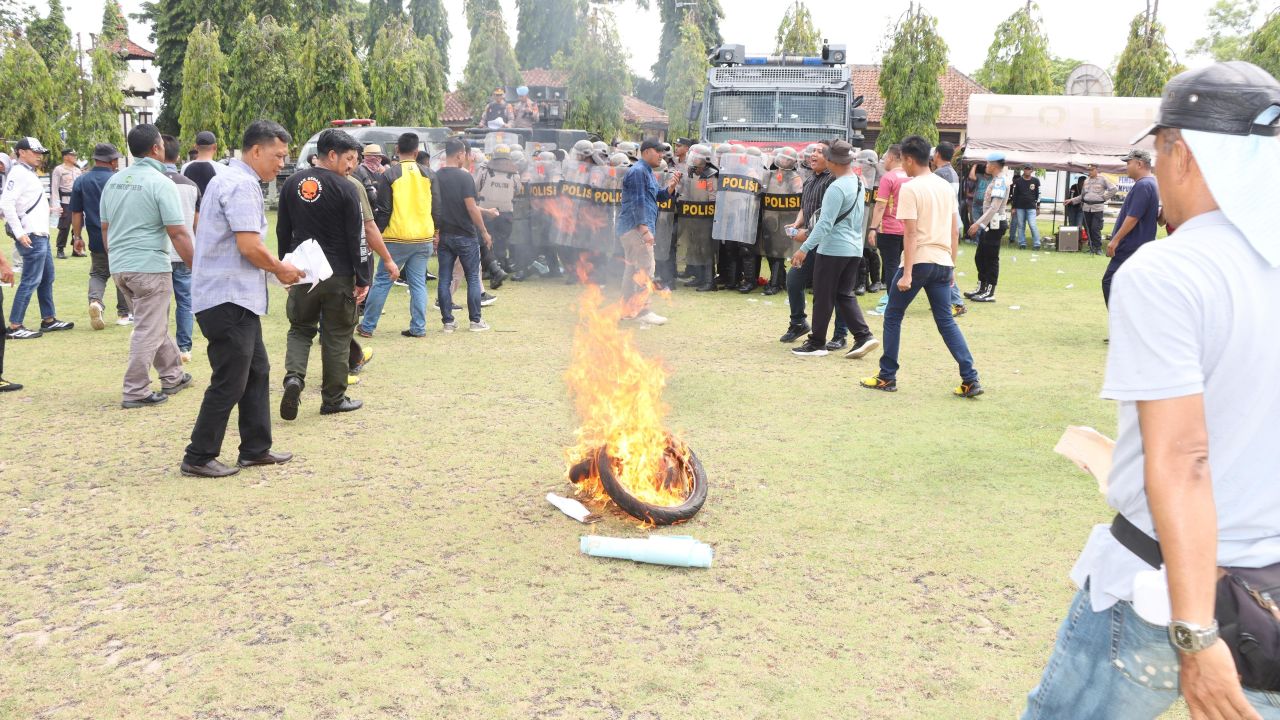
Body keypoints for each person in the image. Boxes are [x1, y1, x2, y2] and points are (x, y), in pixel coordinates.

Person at [1022, 60, 1280, 720]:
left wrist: (1196, 635)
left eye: (1156, 152)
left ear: (1182, 153)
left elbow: (1183, 461)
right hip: (1268, 598)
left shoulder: (1167, 272)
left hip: (1160, 588)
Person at [181, 120, 302, 479]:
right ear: (255, 151)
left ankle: (255, 448)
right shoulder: (241, 185)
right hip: (226, 297)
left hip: (234, 297)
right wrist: (280, 268)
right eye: (278, 156)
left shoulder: (227, 179)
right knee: (231, 378)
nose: (282, 163)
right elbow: (249, 245)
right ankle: (198, 455)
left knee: (256, 371)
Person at [860, 135, 982, 398]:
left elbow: (911, 235)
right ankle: (970, 378)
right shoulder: (944, 187)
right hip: (942, 263)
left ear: (909, 159)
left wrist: (906, 273)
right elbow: (954, 230)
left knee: (892, 316)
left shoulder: (911, 188)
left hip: (920, 261)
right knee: (946, 321)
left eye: (903, 160)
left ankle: (887, 376)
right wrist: (952, 266)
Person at [99, 124, 196, 409]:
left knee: (153, 323)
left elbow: (105, 227)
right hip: (149, 266)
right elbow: (178, 233)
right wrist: (195, 267)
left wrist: (116, 257)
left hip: (121, 265)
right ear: (156, 148)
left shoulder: (114, 181)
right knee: (148, 328)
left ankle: (173, 375)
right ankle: (135, 390)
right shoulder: (161, 182)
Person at [277, 128, 367, 419]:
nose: (352, 165)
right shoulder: (347, 188)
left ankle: (294, 377)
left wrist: (283, 268)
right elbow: (357, 238)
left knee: (301, 328)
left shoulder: (291, 184)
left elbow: (282, 231)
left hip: (302, 272)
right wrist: (362, 277)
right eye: (349, 158)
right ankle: (333, 398)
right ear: (332, 155)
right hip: (339, 274)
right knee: (338, 335)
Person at [788, 140, 880, 360]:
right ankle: (863, 336)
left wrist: (804, 249)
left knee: (823, 296)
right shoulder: (857, 182)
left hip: (833, 249)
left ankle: (817, 342)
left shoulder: (836, 187)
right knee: (843, 295)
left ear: (831, 161)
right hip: (853, 248)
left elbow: (825, 224)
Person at [359, 132, 437, 339]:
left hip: (396, 238)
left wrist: (375, 235)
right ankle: (418, 327)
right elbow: (437, 208)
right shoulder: (429, 174)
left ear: (396, 151)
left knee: (383, 281)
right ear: (416, 151)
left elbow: (383, 210)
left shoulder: (389, 175)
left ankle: (367, 327)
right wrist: (436, 231)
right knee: (418, 283)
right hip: (423, 237)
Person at [3, 137, 73, 339]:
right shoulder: (18, 173)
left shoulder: (27, 173)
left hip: (39, 233)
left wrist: (50, 209)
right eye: (35, 152)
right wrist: (20, 233)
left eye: (40, 153)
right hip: (32, 234)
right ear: (21, 152)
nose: (39, 156)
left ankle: (48, 319)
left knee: (46, 278)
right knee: (31, 279)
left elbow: (24, 202)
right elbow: (7, 204)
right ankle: (15, 326)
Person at [780, 141, 848, 347]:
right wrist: (798, 223)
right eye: (813, 151)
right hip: (811, 241)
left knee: (835, 290)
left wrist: (807, 234)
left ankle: (840, 335)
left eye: (820, 152)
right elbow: (805, 205)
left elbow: (828, 217)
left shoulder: (833, 182)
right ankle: (798, 322)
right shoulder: (810, 179)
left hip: (829, 242)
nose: (814, 154)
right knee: (794, 280)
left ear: (831, 159)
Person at [617, 138, 681, 326]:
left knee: (632, 270)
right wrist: (644, 230)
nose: (661, 155)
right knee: (645, 269)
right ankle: (643, 310)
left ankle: (628, 309)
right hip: (636, 229)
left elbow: (656, 197)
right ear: (646, 152)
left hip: (632, 228)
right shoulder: (638, 172)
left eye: (662, 152)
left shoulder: (646, 172)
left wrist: (671, 186)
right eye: (657, 151)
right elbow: (638, 203)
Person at [433, 138, 493, 332]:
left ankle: (448, 323)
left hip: (445, 235)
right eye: (465, 155)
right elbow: (471, 207)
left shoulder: (436, 176)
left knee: (444, 279)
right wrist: (484, 231)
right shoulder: (464, 177)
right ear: (460, 154)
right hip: (466, 235)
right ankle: (476, 321)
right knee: (473, 278)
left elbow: (434, 205)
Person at [71, 143, 132, 330]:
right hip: (120, 234)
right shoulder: (119, 179)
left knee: (98, 273)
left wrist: (77, 236)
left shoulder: (81, 181)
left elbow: (76, 212)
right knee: (121, 272)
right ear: (112, 160)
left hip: (96, 235)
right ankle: (124, 313)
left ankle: (96, 301)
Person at [1102, 149, 1159, 307]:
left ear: (1139, 164)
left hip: (1131, 245)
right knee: (1129, 286)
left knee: (1109, 282)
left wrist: (1115, 240)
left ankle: (1123, 323)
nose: (1126, 167)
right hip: (1138, 245)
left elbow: (1133, 217)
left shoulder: (1144, 185)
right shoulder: (1150, 183)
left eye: (1128, 163)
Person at [160, 135, 199, 362]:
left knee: (160, 303)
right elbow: (196, 223)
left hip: (161, 251)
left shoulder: (153, 181)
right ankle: (184, 347)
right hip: (185, 251)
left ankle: (162, 344)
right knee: (185, 302)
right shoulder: (191, 185)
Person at [866, 144, 909, 317]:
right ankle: (895, 299)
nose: (883, 161)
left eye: (884, 158)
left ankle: (893, 304)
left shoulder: (888, 178)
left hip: (889, 228)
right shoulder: (910, 176)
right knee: (901, 265)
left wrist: (872, 228)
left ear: (891, 158)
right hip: (908, 228)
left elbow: (880, 205)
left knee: (891, 265)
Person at [965, 154, 1010, 302]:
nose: (986, 166)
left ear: (995, 165)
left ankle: (989, 292)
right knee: (980, 257)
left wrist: (978, 223)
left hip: (995, 224)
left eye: (988, 163)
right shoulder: (996, 180)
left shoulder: (1000, 181)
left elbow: (994, 207)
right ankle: (981, 287)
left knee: (990, 258)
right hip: (989, 224)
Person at [930, 142, 967, 316]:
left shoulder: (939, 174)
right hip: (951, 220)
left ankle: (957, 302)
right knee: (942, 263)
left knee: (943, 263)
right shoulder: (952, 172)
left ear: (937, 154)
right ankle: (944, 300)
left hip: (943, 222)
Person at [1072, 163, 1117, 255]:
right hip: (1086, 208)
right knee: (1088, 228)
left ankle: (1098, 248)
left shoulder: (1102, 179)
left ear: (1097, 170)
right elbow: (1082, 196)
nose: (1090, 172)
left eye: (1092, 170)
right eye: (1089, 170)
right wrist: (1072, 200)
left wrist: (1104, 197)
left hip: (1097, 208)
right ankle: (1091, 247)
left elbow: (1114, 189)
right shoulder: (1086, 181)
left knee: (1095, 228)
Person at [51, 148, 82, 259]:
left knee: (78, 225)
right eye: (72, 155)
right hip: (65, 201)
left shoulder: (78, 170)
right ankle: (60, 249)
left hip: (77, 200)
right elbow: (54, 188)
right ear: (65, 157)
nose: (75, 157)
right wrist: (56, 205)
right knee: (64, 226)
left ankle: (76, 249)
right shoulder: (59, 170)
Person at [182, 131, 226, 205]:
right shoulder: (223, 169)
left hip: (191, 214)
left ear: (195, 147)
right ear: (215, 147)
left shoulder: (185, 168)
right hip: (213, 214)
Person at [1010, 164, 1043, 249]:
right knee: (1021, 225)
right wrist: (1013, 207)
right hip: (1020, 207)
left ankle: (1037, 243)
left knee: (1032, 225)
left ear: (1032, 170)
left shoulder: (1036, 180)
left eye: (1029, 169)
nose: (1027, 170)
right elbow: (1015, 195)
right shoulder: (1018, 181)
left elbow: (1038, 194)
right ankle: (1022, 243)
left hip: (1031, 207)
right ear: (1023, 170)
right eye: (1026, 169)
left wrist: (1038, 207)